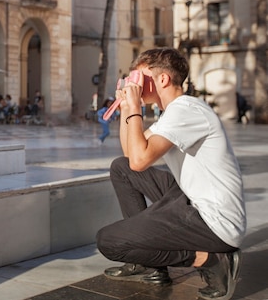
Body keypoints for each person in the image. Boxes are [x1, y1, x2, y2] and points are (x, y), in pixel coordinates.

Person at [96, 48, 246, 300]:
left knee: (109, 242)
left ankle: (209, 259)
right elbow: (131, 156)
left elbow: (140, 160)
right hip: (191, 199)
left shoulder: (186, 110)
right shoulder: (175, 112)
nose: (134, 83)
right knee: (121, 168)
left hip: (214, 221)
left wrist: (135, 106)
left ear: (162, 79)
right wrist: (126, 109)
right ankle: (153, 267)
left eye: (138, 77)